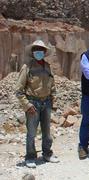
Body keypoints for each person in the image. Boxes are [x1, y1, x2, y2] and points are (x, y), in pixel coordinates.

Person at [15, 40, 59, 168]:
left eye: (41, 50)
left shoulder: (47, 66)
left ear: (45, 52)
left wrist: (53, 99)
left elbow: (52, 85)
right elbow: (18, 90)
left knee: (46, 131)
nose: (38, 52)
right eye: (36, 50)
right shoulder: (27, 67)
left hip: (46, 103)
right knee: (32, 133)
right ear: (33, 52)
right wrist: (27, 105)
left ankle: (47, 154)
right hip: (33, 103)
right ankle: (30, 157)